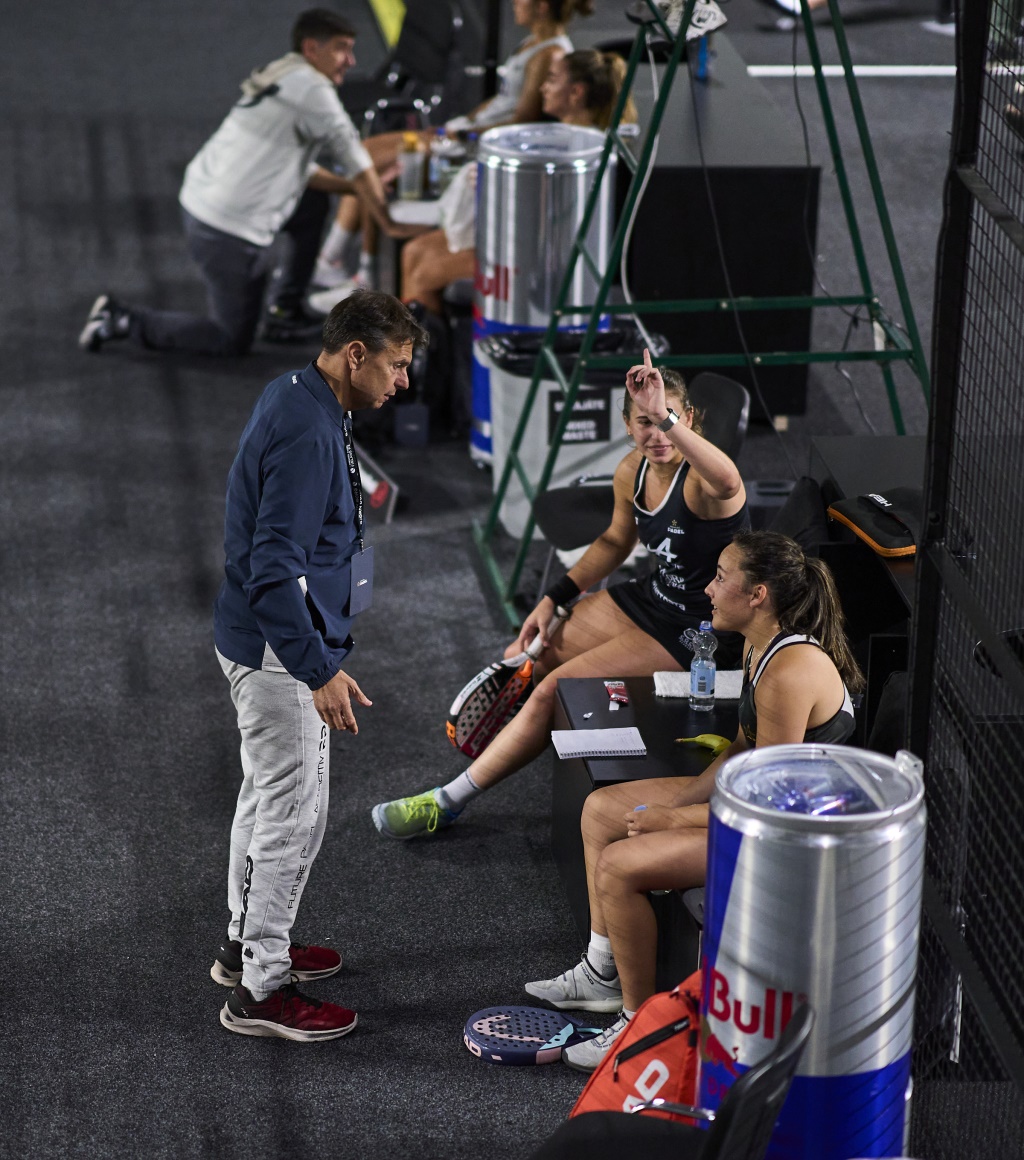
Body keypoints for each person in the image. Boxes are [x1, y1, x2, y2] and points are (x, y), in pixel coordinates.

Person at [371, 349, 749, 840]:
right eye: (643, 424)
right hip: (652, 598)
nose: (655, 435)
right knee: (529, 655)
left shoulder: (702, 483)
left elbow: (731, 480)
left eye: (665, 422)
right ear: (627, 425)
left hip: (699, 629)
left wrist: (664, 415)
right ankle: (567, 761)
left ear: (688, 419)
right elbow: (616, 540)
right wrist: (552, 598)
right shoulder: (630, 471)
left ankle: (447, 801)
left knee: (552, 690)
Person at [526, 530, 863, 1072]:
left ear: (758, 595)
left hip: (792, 837)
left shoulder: (790, 670)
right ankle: (601, 971)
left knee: (618, 865)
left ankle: (636, 1028)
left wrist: (673, 819)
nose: (708, 588)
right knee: (602, 810)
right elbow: (741, 749)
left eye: (722, 577)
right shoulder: (759, 643)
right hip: (760, 804)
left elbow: (765, 802)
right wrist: (675, 804)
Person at [210, 290, 427, 1041]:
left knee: (266, 796)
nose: (404, 382)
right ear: (356, 355)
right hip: (280, 654)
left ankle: (245, 947)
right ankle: (262, 993)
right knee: (293, 817)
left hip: (272, 642)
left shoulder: (301, 395)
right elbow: (271, 570)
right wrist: (316, 669)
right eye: (397, 365)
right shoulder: (307, 431)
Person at [78, 9, 419, 358]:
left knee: (312, 204)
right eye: (341, 49)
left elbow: (302, 172)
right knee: (230, 337)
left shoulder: (288, 71)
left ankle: (285, 310)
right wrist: (388, 220)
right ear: (311, 49)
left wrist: (356, 188)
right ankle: (120, 320)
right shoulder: (315, 93)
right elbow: (358, 162)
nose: (351, 60)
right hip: (224, 229)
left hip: (205, 195)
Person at [311, 0, 591, 295]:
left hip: (476, 141)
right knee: (366, 152)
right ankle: (337, 262)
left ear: (543, 6)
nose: (514, 5)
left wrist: (462, 133)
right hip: (466, 130)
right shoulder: (531, 43)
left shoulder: (551, 53)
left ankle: (344, 265)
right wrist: (459, 123)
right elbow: (500, 101)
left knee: (367, 159)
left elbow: (521, 118)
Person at [396, 47, 636, 316]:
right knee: (413, 251)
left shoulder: (590, 157)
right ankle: (417, 349)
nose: (543, 87)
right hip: (525, 243)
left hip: (548, 261)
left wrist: (493, 191)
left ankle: (421, 353)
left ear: (576, 92)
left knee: (425, 273)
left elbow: (556, 224)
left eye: (553, 80)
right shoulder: (554, 138)